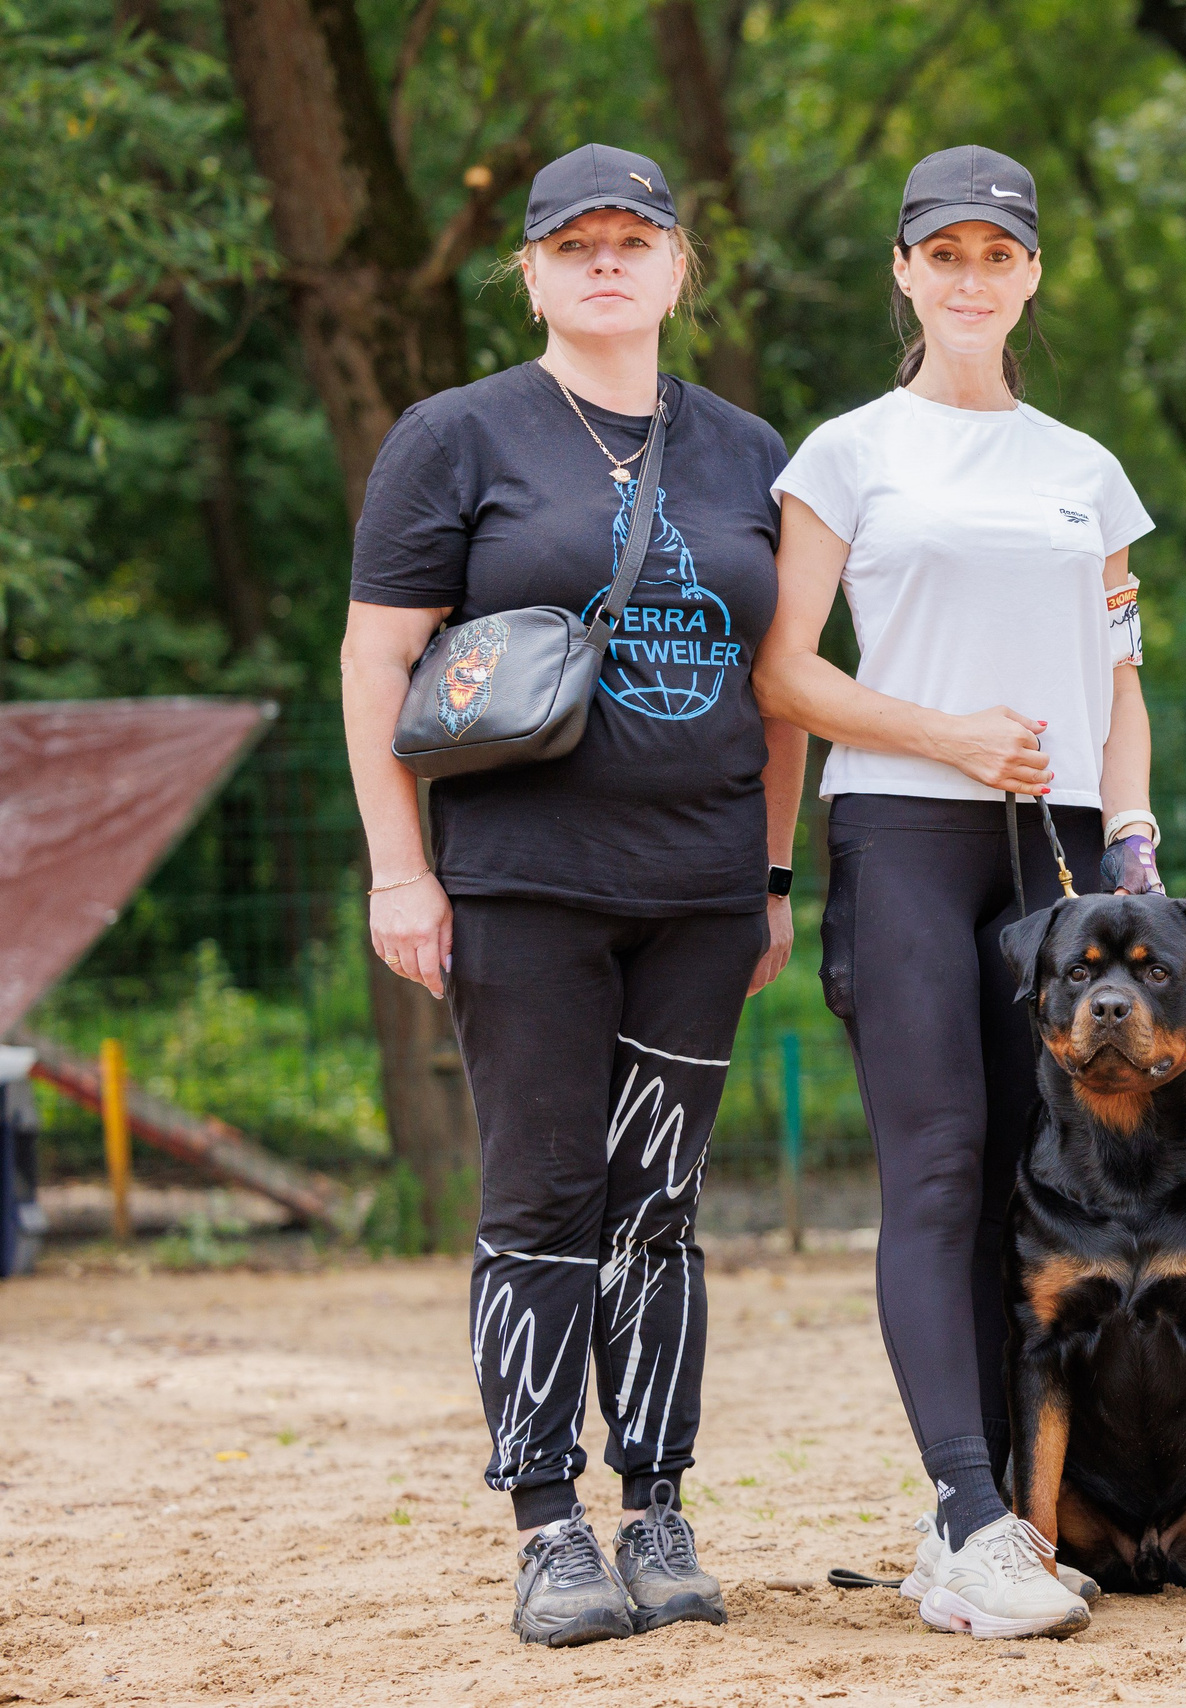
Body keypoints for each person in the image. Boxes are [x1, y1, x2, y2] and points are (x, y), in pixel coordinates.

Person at [341, 143, 799, 1648]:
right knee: (543, 1198)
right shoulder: (457, 435)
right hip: (522, 882)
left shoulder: (747, 449)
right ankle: (548, 1521)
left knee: (660, 1206)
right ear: (530, 270)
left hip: (703, 885)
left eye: (634, 240)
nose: (607, 263)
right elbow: (374, 661)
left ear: (679, 268)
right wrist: (399, 868)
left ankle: (658, 1508)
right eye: (575, 243)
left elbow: (778, 689)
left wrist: (776, 874)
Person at [753, 144, 1165, 1642]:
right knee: (936, 1169)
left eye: (1000, 255)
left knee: (1033, 1187)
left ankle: (999, 1517)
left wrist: (1134, 838)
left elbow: (1122, 682)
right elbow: (783, 670)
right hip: (908, 837)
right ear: (905, 273)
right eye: (946, 254)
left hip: (1054, 856)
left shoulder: (1086, 471)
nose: (973, 277)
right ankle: (967, 1511)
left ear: (1033, 274)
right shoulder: (848, 451)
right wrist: (944, 736)